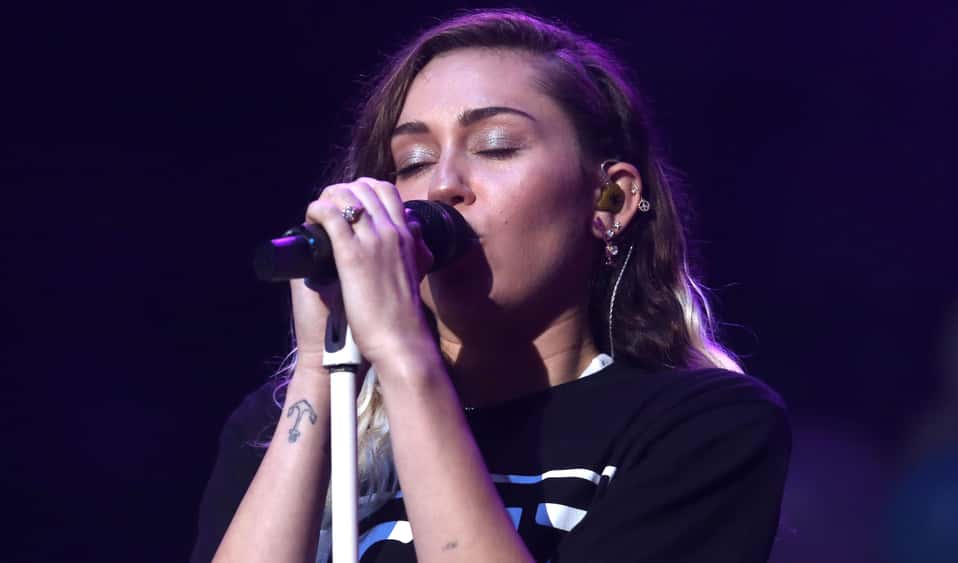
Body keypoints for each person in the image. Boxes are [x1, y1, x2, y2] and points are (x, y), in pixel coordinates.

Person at [192, 9, 791, 563]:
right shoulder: (281, 424)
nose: (442, 186)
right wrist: (320, 369)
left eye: (495, 147)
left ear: (609, 200)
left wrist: (403, 354)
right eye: (413, 161)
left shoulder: (702, 427)